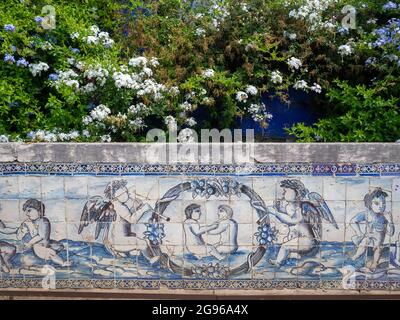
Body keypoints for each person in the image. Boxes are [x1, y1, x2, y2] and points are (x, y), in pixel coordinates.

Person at [17, 199, 71, 267]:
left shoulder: (43, 221)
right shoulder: (32, 222)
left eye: (29, 211)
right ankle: (61, 256)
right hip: (41, 244)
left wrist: (30, 243)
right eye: (26, 211)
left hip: (42, 244)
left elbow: (41, 236)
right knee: (49, 250)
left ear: (39, 211)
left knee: (50, 252)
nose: (27, 214)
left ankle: (62, 263)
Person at [351, 188, 395, 271]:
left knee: (378, 249)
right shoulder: (367, 214)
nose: (381, 206)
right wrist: (359, 232)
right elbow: (354, 221)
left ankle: (375, 263)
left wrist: (390, 222)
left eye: (384, 203)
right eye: (377, 203)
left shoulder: (385, 217)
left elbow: (391, 233)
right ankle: (356, 255)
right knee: (363, 244)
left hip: (379, 239)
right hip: (369, 236)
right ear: (370, 204)